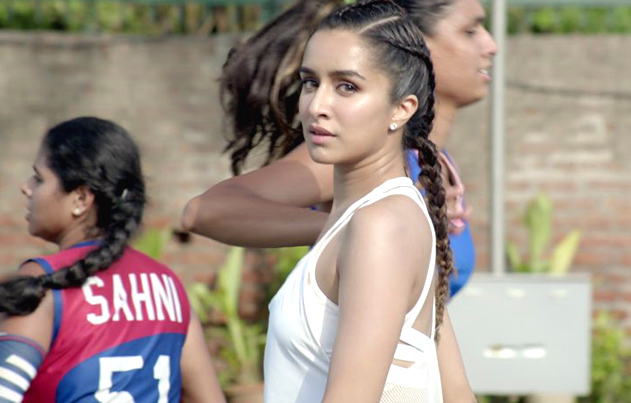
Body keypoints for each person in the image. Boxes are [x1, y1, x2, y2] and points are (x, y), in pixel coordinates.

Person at [181, 0, 497, 299]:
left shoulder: (435, 163)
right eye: (470, 31)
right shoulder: (358, 156)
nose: (491, 45)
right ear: (417, 47)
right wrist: (352, 226)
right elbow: (206, 211)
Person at [261, 1, 473, 401]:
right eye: (310, 82)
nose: (317, 106)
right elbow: (457, 392)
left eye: (347, 87)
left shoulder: (382, 224)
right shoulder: (378, 217)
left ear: (402, 108)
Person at [0, 117, 225, 403]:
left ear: (81, 198)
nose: (26, 187)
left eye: (39, 178)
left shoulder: (45, 279)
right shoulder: (169, 286)